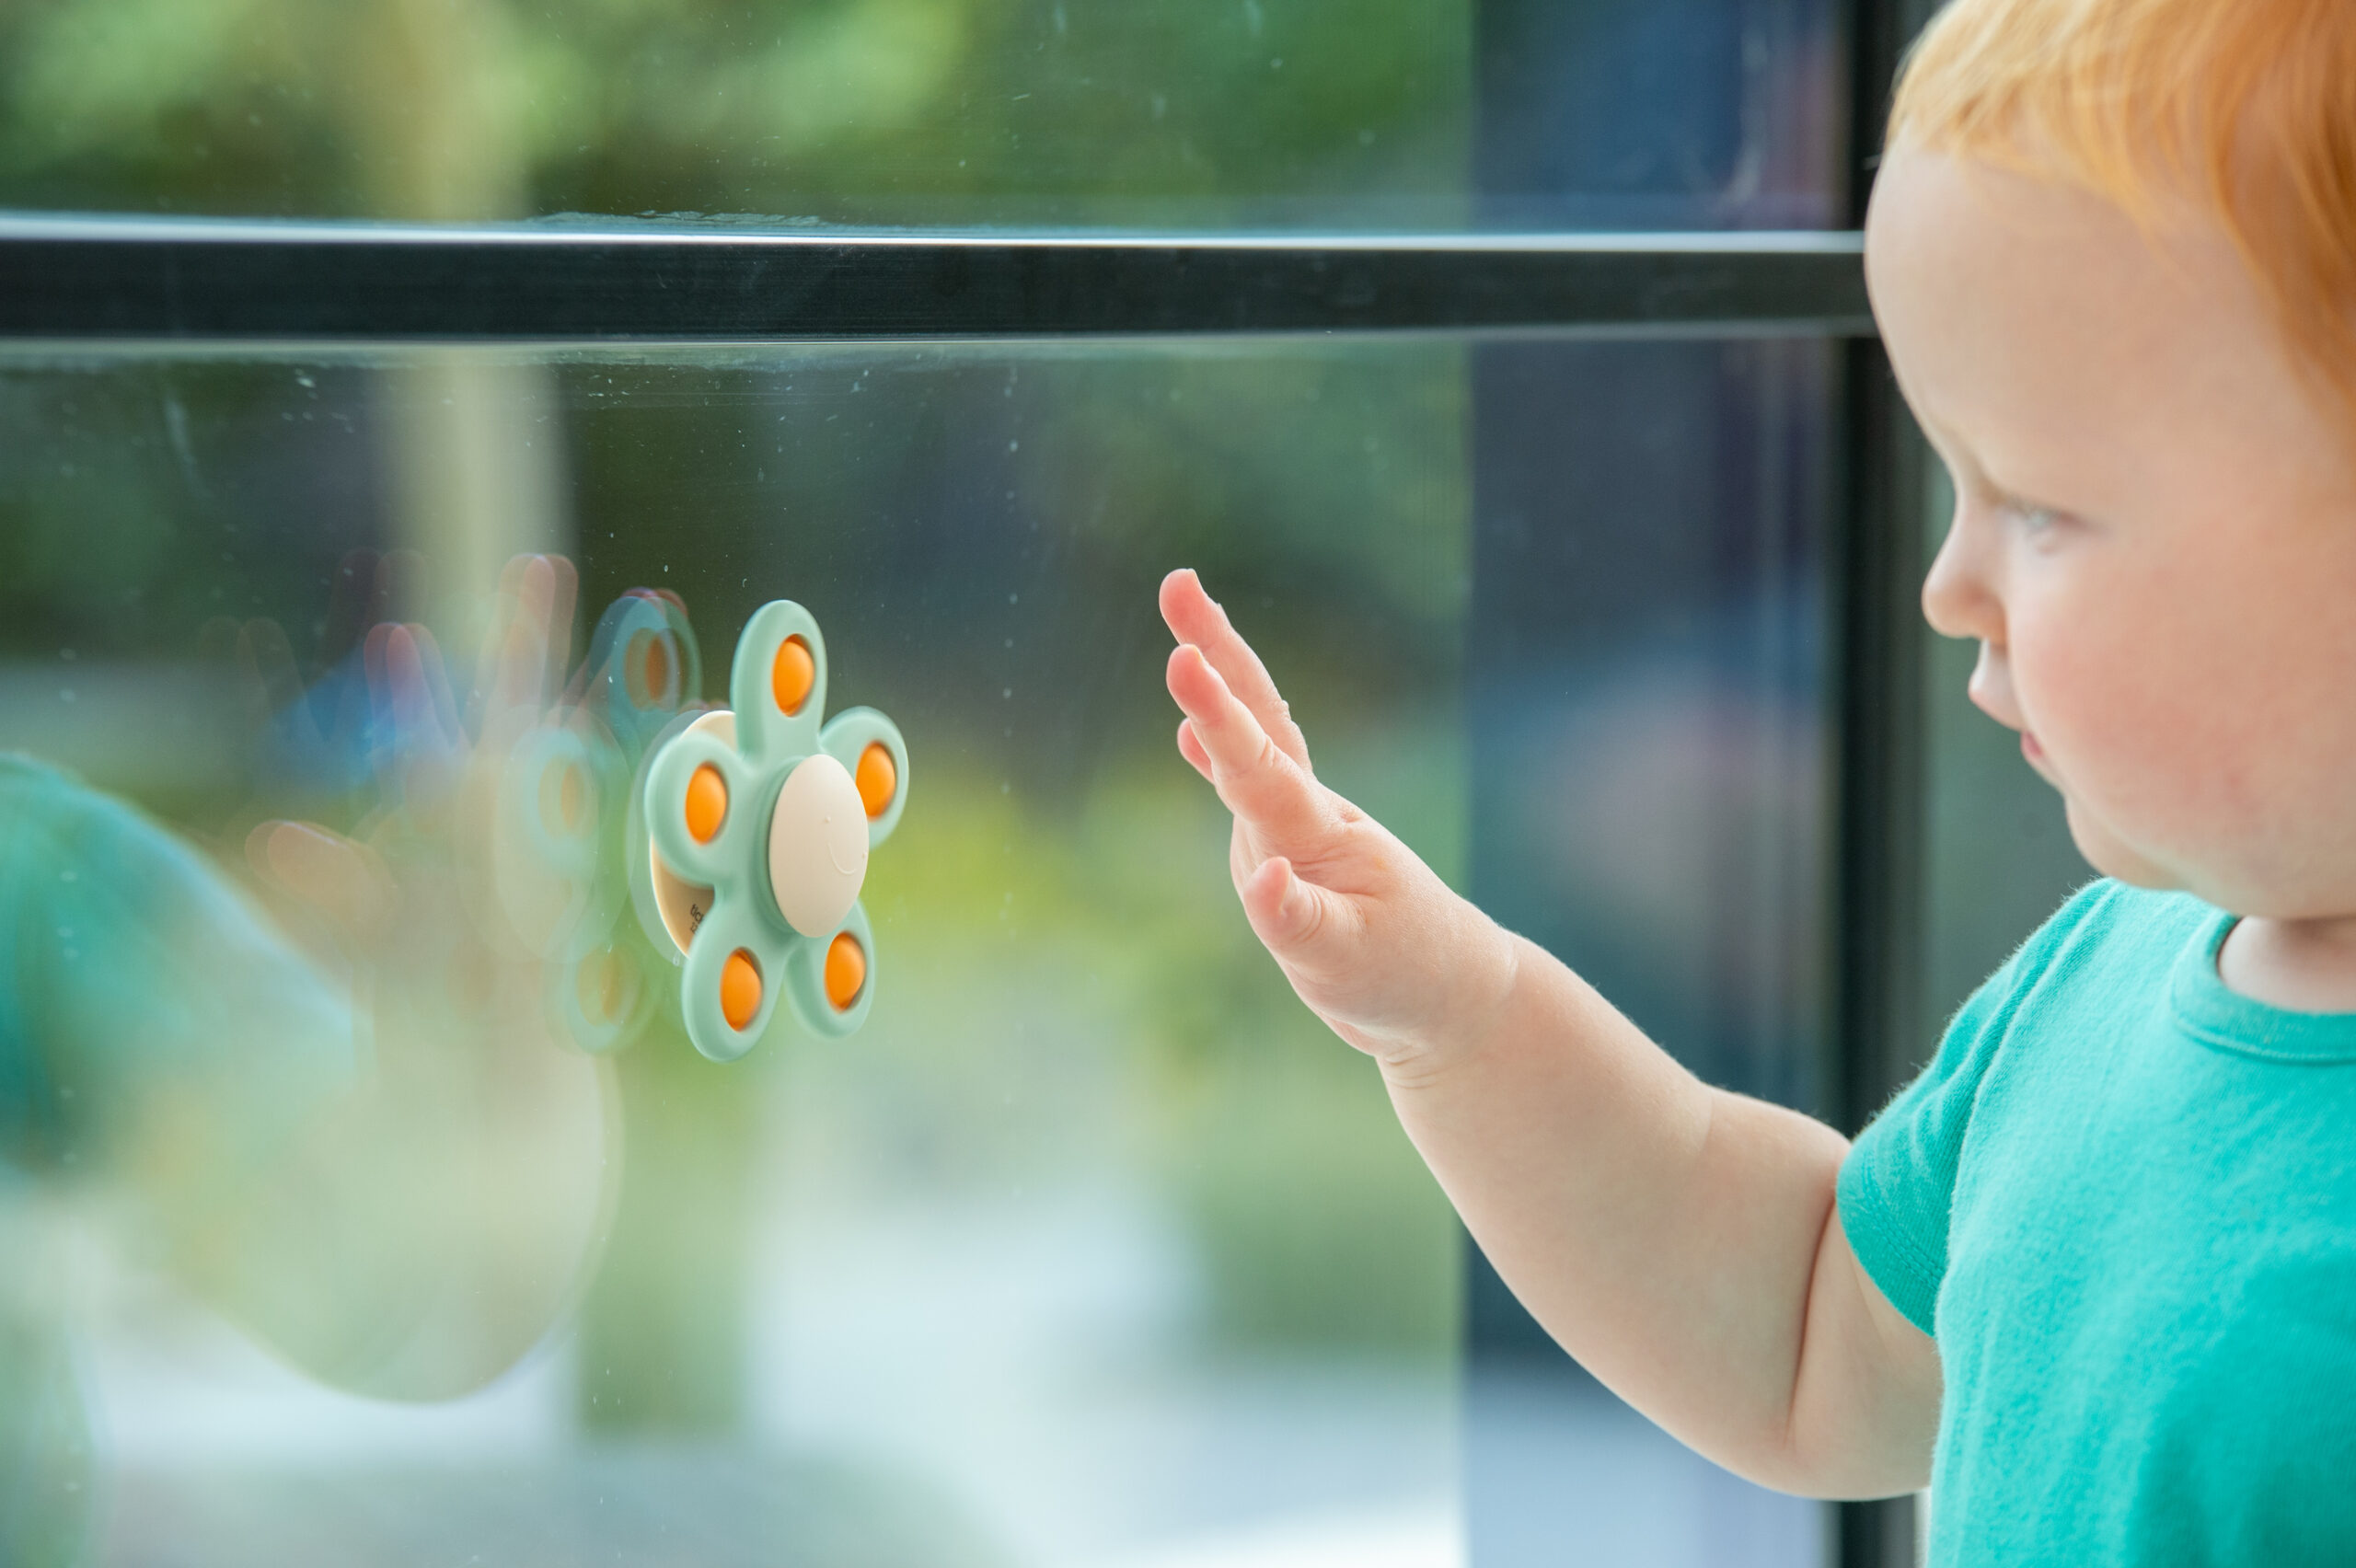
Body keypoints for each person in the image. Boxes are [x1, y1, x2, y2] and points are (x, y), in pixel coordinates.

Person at [1160, 0, 2356, 1558]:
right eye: (1951, 484)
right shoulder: (2095, 987)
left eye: (2039, 505)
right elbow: (1797, 1325)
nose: (1946, 587)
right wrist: (1460, 1012)